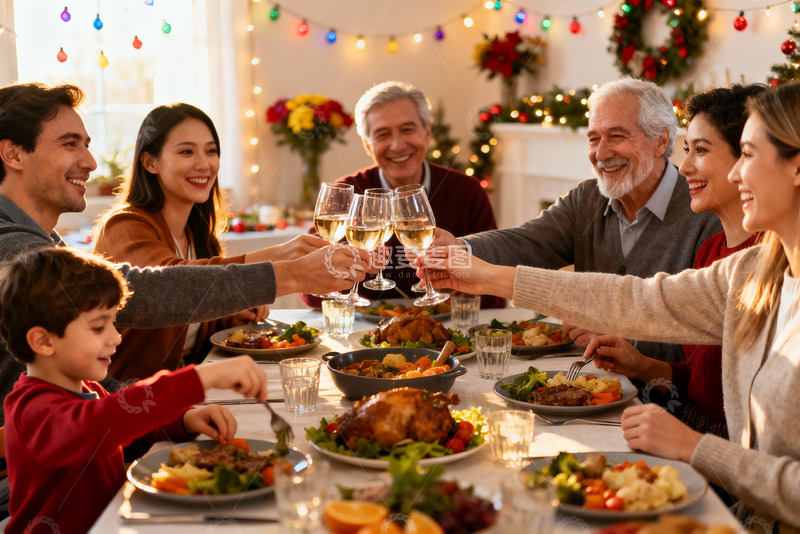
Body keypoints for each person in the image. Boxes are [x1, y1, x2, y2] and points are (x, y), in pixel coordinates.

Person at [420, 81, 800, 531]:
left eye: (748, 155)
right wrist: (480, 270)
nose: (735, 175)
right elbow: (635, 300)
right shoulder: (754, 270)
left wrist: (694, 447)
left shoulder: (720, 237)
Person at [0, 82, 372, 518]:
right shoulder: (13, 250)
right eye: (69, 144)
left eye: (87, 144)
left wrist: (176, 416)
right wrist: (284, 274)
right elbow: (140, 292)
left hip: (95, 465)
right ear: (13, 154)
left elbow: (95, 395)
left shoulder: (45, 243)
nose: (91, 161)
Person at [432, 77, 722, 364]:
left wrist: (623, 337)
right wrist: (460, 250)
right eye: (594, 139)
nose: (601, 153)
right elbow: (526, 241)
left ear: (660, 141)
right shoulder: (587, 198)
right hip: (590, 379)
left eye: (617, 136)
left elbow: (705, 338)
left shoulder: (704, 210)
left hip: (662, 397)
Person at [0, 247, 268, 534]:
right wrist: (199, 379)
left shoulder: (85, 389)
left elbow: (123, 434)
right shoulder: (32, 410)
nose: (115, 338)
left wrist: (182, 420)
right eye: (99, 327)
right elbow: (100, 425)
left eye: (113, 323)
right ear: (43, 341)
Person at [564, 84, 766, 443]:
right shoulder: (712, 250)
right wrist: (640, 365)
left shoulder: (768, 261)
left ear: (746, 160)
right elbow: (702, 380)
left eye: (700, 150)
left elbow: (752, 420)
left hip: (716, 451)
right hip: (683, 427)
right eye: (687, 150)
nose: (684, 166)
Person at [93, 103, 328, 381]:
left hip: (190, 389)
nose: (204, 164)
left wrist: (229, 316)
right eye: (186, 151)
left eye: (211, 151)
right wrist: (281, 253)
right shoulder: (124, 225)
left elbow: (193, 310)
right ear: (149, 162)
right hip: (131, 394)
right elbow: (175, 286)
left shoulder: (198, 236)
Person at [301, 80, 503, 309]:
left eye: (407, 130)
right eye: (382, 134)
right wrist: (343, 263)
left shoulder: (467, 191)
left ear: (427, 134)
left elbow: (493, 299)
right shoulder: (345, 194)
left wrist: (454, 278)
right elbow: (311, 296)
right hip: (364, 333)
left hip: (447, 333)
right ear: (368, 146)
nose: (397, 145)